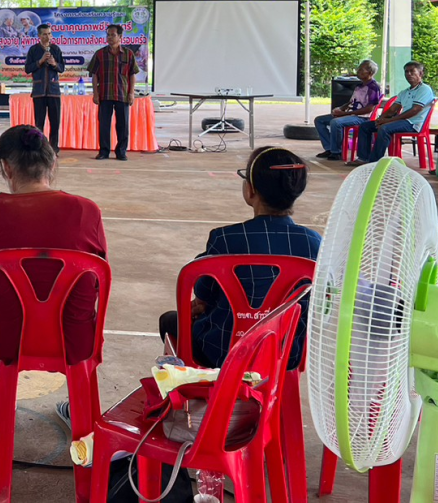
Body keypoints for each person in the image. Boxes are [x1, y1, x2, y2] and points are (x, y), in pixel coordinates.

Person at [0, 124, 107, 430]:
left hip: (6, 340)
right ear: (52, 162)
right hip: (75, 340)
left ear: (6, 167)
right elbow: (95, 281)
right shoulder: (86, 211)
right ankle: (85, 419)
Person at [158, 146, 320, 370]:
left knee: (170, 320)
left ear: (250, 190)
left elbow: (204, 293)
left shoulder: (224, 238)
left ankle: (199, 392)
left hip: (223, 351)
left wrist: (202, 304)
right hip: (285, 353)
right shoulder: (313, 242)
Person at [353, 61, 435, 164]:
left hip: (413, 123)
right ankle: (363, 158)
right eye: (406, 72)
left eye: (412, 71)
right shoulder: (404, 92)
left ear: (421, 73)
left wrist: (389, 121)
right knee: (365, 126)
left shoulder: (424, 89)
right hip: (402, 121)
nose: (408, 74)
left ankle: (374, 162)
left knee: (385, 128)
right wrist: (381, 119)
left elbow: (415, 110)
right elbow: (392, 109)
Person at [86, 24, 137, 161]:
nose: (109, 37)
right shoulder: (100, 54)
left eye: (112, 35)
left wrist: (131, 93)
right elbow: (94, 75)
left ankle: (121, 152)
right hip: (105, 94)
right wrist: (95, 93)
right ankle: (104, 151)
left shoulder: (128, 54)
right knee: (104, 124)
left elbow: (132, 74)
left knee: (123, 125)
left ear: (120, 37)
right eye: (108, 34)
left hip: (123, 94)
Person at [313, 60, 382, 161]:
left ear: (370, 73)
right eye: (358, 69)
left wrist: (346, 114)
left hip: (362, 118)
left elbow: (369, 108)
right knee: (319, 120)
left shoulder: (373, 87)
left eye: (361, 69)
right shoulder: (359, 86)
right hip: (350, 114)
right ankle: (329, 148)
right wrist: (340, 109)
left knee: (336, 122)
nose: (358, 71)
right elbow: (351, 102)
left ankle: (337, 152)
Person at [24, 24, 66, 153]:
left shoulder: (56, 49)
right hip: (39, 92)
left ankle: (53, 148)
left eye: (49, 34)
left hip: (53, 91)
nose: (47, 36)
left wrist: (54, 64)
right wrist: (40, 61)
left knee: (55, 122)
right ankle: (39, 148)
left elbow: (62, 68)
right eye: (44, 34)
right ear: (39, 36)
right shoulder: (33, 50)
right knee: (39, 122)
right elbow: (27, 69)